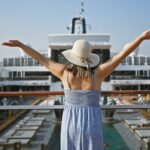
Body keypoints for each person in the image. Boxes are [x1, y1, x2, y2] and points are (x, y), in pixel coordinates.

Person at [1, 30, 150, 150]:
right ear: (90, 57)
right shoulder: (98, 73)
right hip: (92, 122)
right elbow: (121, 56)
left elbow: (42, 59)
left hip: (70, 122)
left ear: (73, 57)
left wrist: (21, 45)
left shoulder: (64, 73)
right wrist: (141, 37)